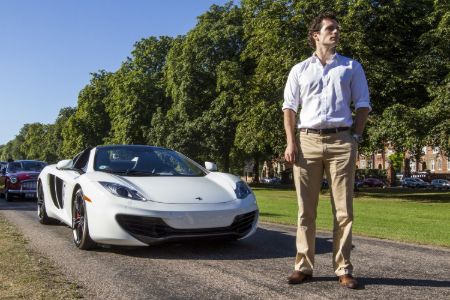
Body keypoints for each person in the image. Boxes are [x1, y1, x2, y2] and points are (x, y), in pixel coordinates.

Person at [282, 11, 371, 289]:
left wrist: (355, 135)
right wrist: (291, 141)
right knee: (305, 210)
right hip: (307, 141)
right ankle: (303, 266)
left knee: (343, 211)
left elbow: (363, 105)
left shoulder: (351, 67)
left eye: (337, 29)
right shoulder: (299, 70)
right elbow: (289, 108)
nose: (335, 32)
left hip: (341, 141)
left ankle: (343, 268)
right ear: (315, 35)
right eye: (330, 28)